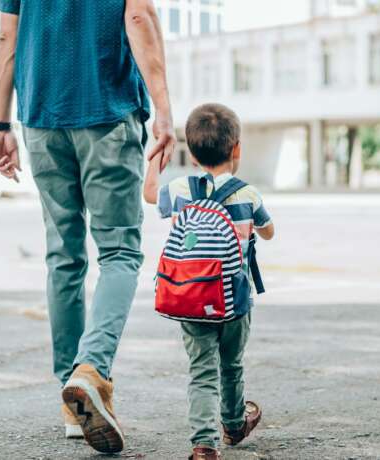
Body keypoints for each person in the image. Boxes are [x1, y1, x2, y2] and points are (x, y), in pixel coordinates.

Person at [0, 0, 175, 454]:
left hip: (41, 117)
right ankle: (90, 370)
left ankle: (73, 405)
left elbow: (7, 39)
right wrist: (164, 109)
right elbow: (138, 17)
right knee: (119, 253)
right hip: (104, 112)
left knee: (63, 258)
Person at [143, 103, 274, 460]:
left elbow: (150, 193)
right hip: (235, 299)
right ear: (237, 150)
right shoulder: (247, 194)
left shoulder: (181, 189)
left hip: (191, 295)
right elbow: (269, 232)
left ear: (194, 153)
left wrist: (157, 155)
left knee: (202, 371)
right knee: (231, 364)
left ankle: (203, 443)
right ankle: (233, 425)